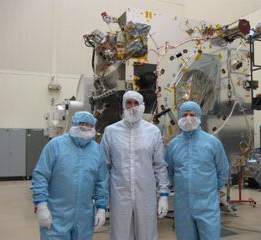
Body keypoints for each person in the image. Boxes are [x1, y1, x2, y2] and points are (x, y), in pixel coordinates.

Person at [101, 90, 170, 240]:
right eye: (129, 103)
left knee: (147, 234)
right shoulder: (111, 132)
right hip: (119, 194)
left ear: (142, 106)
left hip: (145, 194)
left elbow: (159, 165)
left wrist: (163, 194)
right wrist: (102, 199)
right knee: (120, 235)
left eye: (135, 103)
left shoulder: (153, 132)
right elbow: (104, 168)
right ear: (123, 106)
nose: (132, 107)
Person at [31, 111, 108, 240]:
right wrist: (41, 206)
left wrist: (101, 208)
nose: (85, 127)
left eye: (89, 125)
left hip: (84, 217)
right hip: (56, 215)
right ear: (74, 124)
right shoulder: (55, 145)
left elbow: (101, 181)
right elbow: (40, 175)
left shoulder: (97, 150)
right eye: (81, 124)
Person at [165, 101, 230, 240]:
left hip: (207, 202)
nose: (188, 118)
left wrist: (213, 188)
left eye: (192, 115)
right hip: (182, 204)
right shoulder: (173, 145)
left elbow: (223, 169)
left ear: (199, 116)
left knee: (210, 236)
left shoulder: (212, 143)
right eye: (185, 115)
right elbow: (169, 171)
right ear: (179, 118)